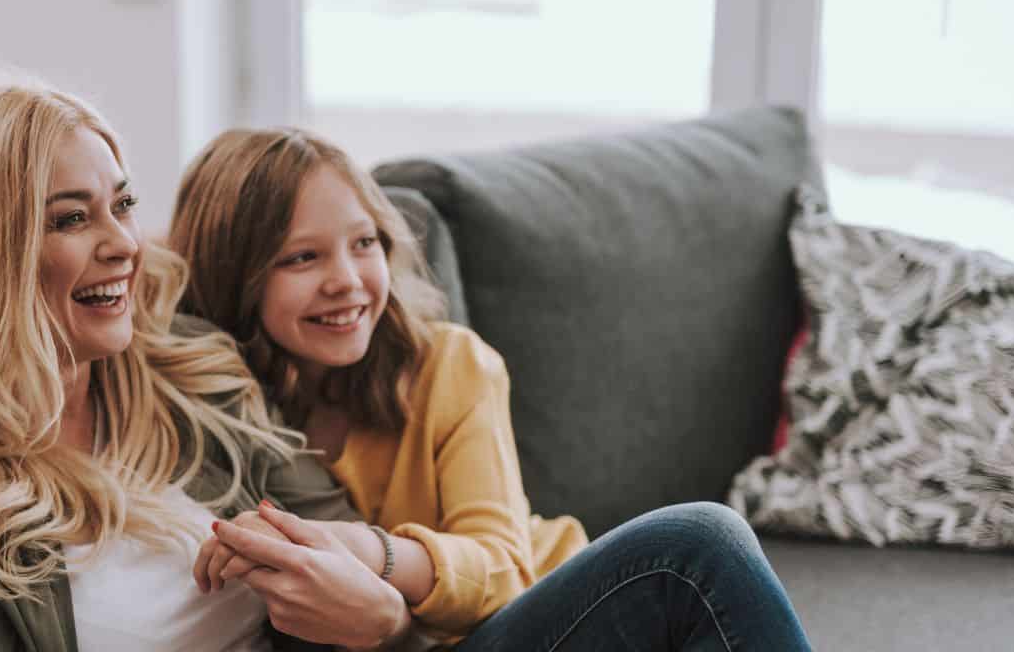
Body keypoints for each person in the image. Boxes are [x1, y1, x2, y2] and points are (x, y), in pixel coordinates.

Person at [169, 127, 815, 651]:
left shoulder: (448, 364)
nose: (347, 279)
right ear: (235, 276)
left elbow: (504, 570)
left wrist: (371, 551)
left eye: (363, 243)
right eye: (301, 258)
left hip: (536, 615)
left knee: (699, 546)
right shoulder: (212, 399)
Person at [0, 74, 413, 651]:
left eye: (124, 205)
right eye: (71, 219)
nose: (125, 244)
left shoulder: (194, 377)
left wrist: (386, 622)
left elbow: (357, 568)